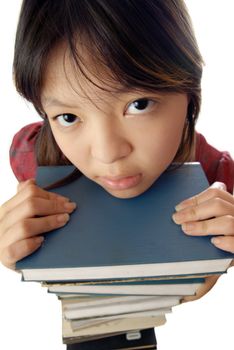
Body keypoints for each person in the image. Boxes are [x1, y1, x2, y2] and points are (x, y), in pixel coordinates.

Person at [0, 0, 233, 349]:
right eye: (68, 117)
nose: (108, 153)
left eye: (138, 104)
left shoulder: (219, 180)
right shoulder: (30, 153)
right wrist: (23, 248)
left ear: (189, 91)